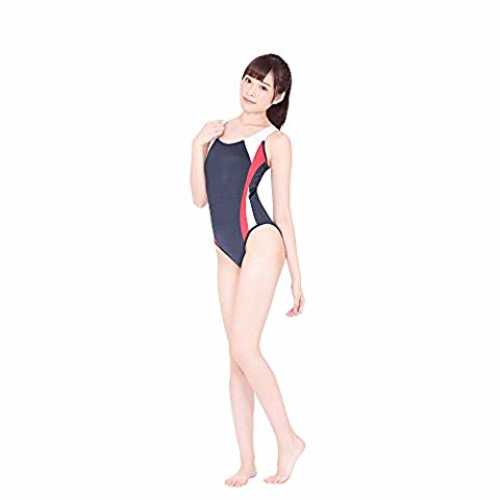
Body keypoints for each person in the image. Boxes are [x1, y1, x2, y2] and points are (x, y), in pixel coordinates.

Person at [190, 53, 306, 487]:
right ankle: (247, 461)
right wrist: (196, 145)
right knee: (235, 356)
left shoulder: (276, 141)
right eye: (248, 80)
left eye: (262, 86)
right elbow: (200, 199)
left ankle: (288, 439)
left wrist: (297, 275)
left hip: (261, 238)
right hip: (225, 249)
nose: (251, 90)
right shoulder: (216, 131)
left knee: (245, 347)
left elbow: (284, 212)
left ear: (277, 96)